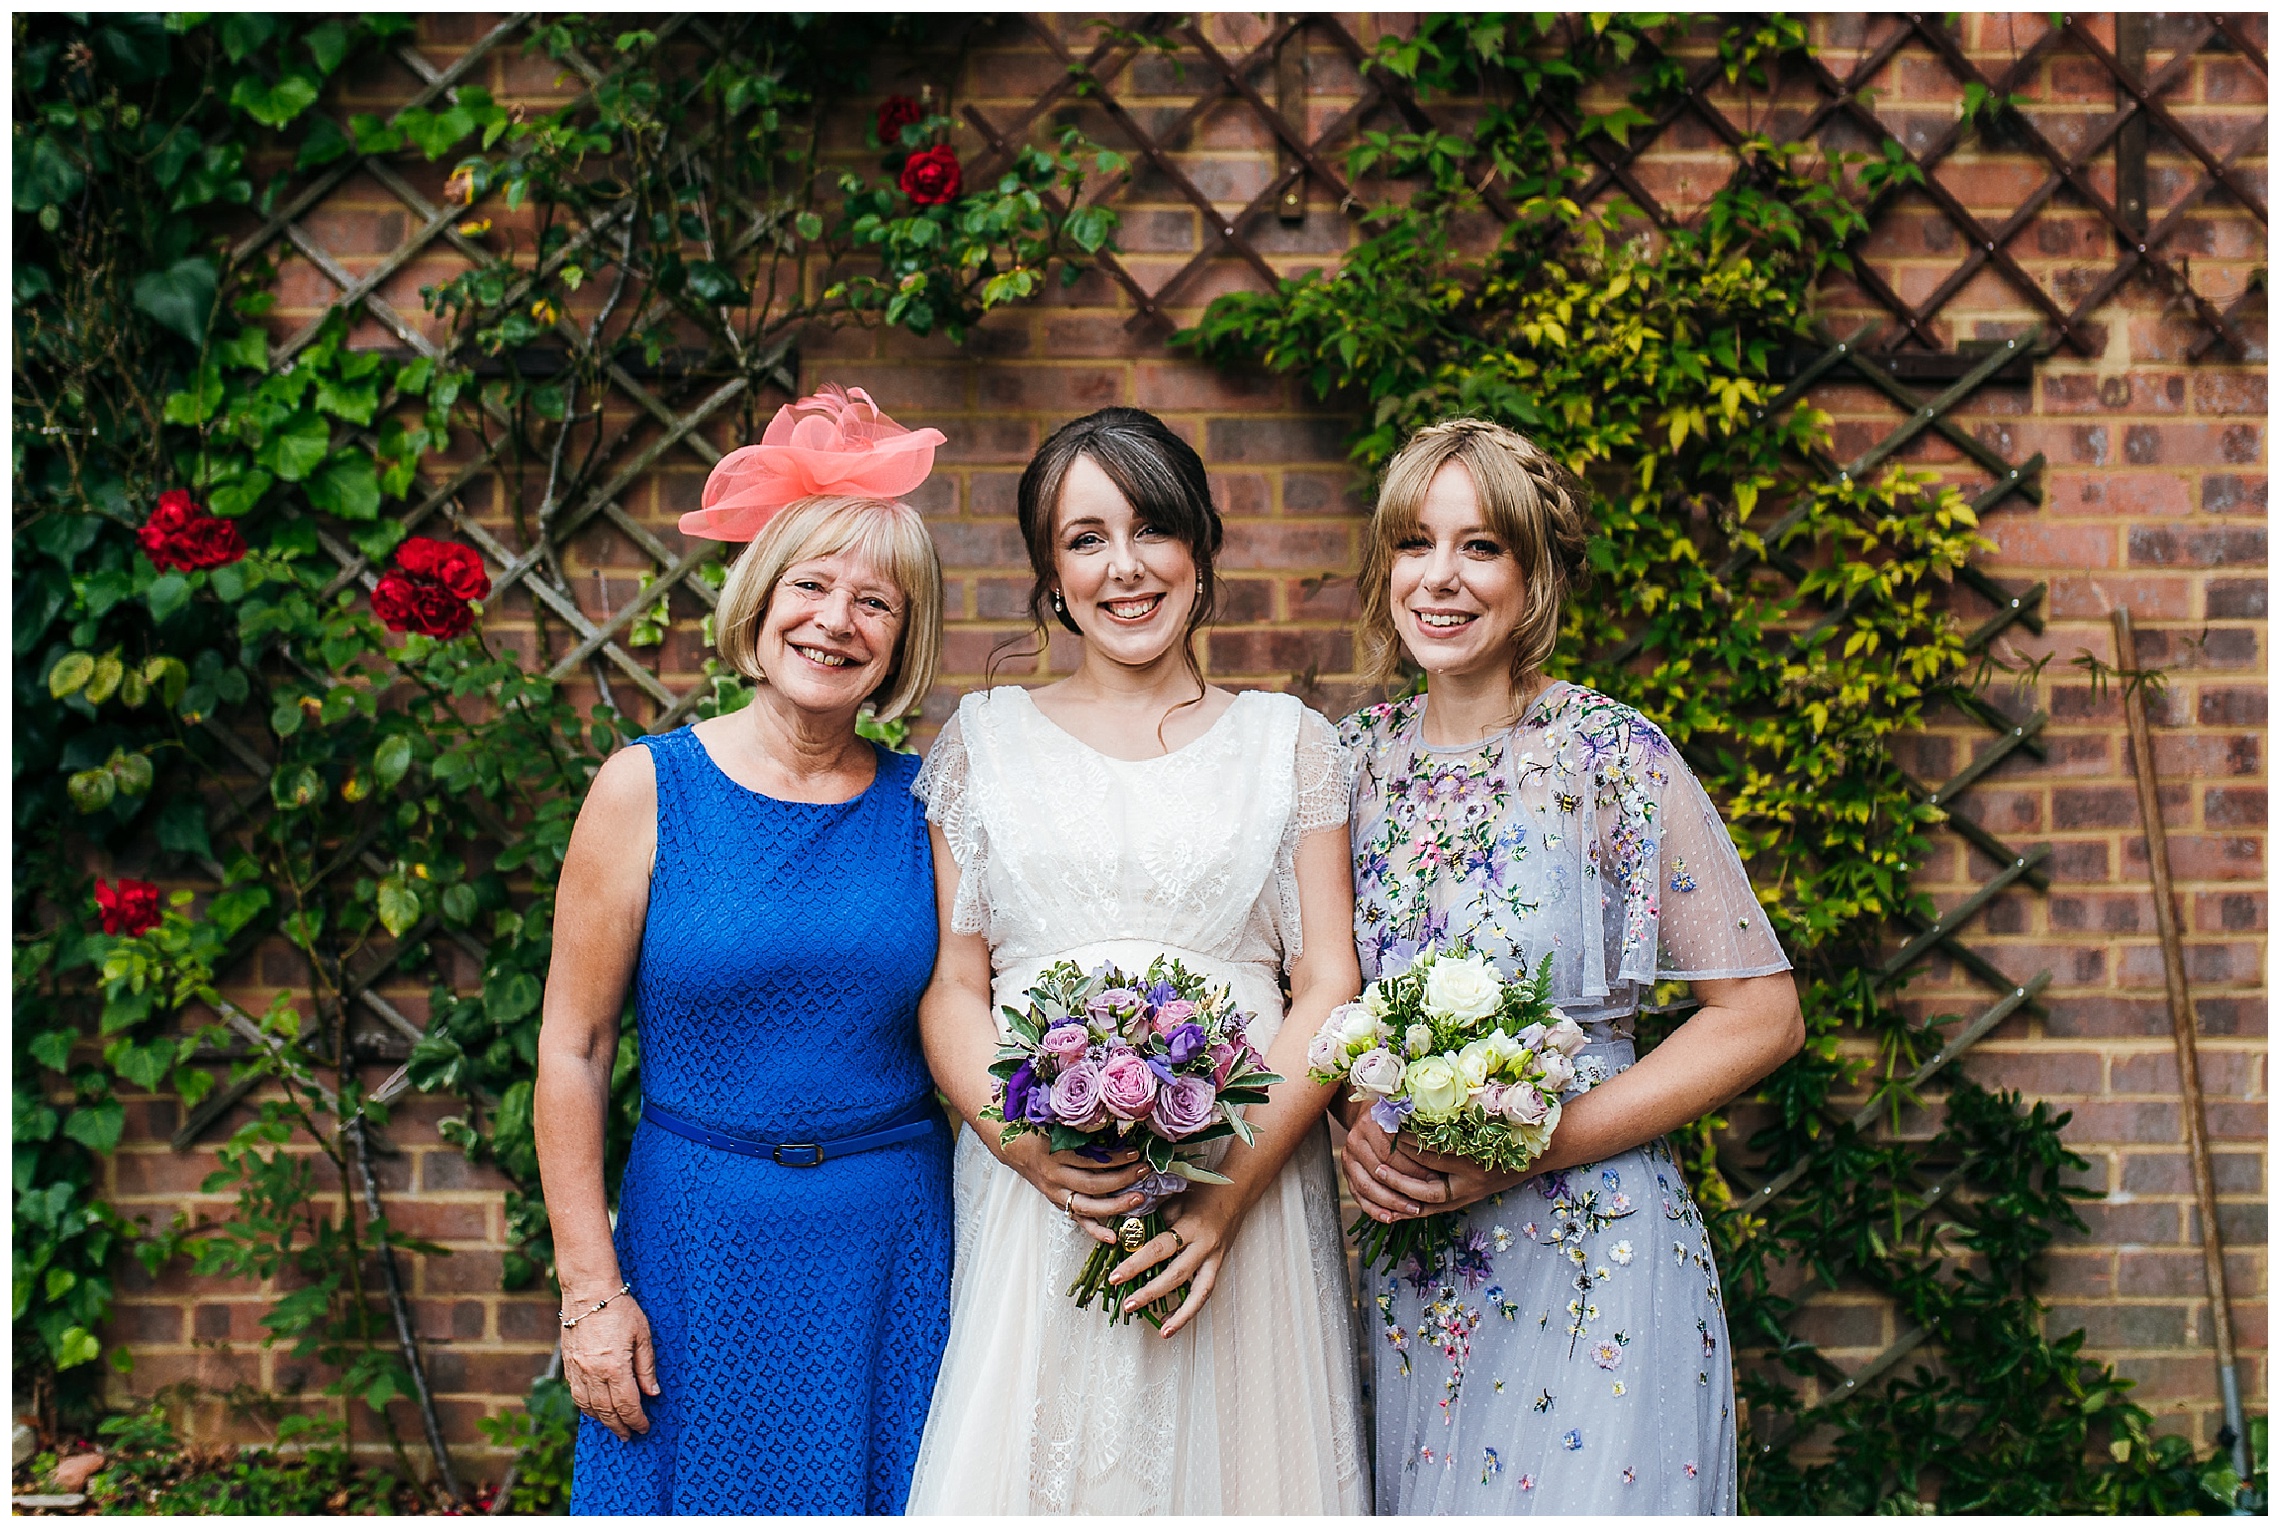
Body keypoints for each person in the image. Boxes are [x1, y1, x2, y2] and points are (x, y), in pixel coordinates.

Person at [1333, 417, 1803, 1514]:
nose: (1440, 578)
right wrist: (1345, 1128)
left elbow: (1761, 1014)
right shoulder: (1346, 766)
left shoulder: (1612, 757)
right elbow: (1315, 1002)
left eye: (1480, 546)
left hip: (1599, 1257)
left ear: (1533, 573)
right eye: (1415, 543)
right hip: (1420, 1271)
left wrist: (1527, 1149)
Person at [904, 407, 1369, 1514]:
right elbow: (955, 985)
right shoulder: (981, 741)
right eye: (1085, 538)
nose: (1126, 567)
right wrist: (1029, 1150)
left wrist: (1223, 1193)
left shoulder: (1290, 743)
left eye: (1153, 526)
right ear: (1049, 576)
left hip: (1242, 1191)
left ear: (1201, 549)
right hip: (1041, 1204)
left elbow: (1332, 986)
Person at [536, 386, 954, 1514]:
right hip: (694, 1247)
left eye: (877, 602)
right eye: (810, 585)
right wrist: (589, 1289)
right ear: (759, 601)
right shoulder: (646, 788)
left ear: (905, 639)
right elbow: (572, 1047)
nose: (836, 620)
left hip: (892, 1255)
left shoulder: (934, 808)